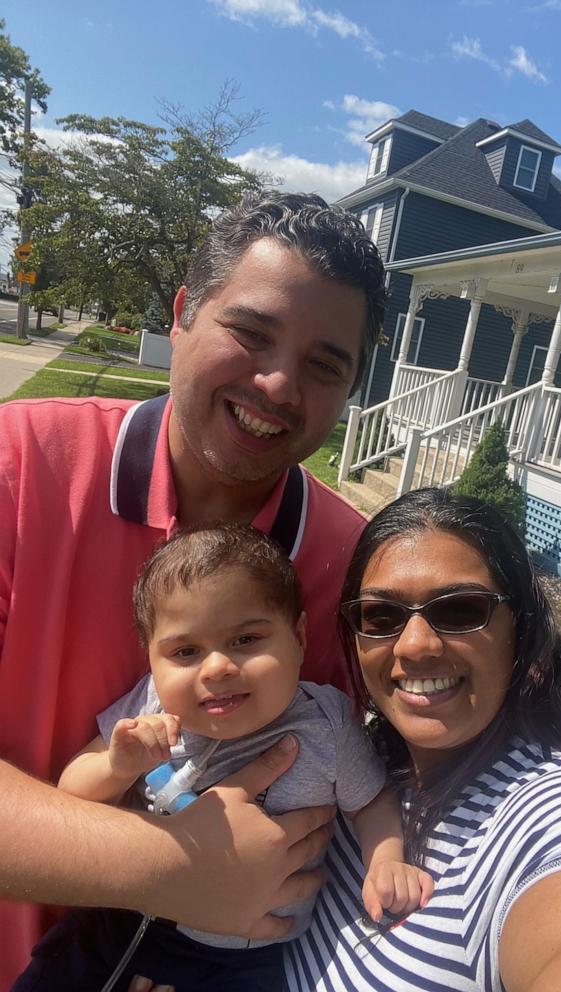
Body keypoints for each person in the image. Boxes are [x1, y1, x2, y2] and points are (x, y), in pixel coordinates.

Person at [0, 191, 386, 987]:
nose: (280, 384)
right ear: (182, 314)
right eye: (250, 332)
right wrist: (170, 865)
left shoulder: (356, 568)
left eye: (324, 365)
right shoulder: (19, 463)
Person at [285, 488, 561, 992]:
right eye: (382, 617)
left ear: (520, 629)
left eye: (460, 610)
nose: (415, 645)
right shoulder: (358, 758)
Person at [13, 523, 433, 991]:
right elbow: (72, 790)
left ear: (298, 637)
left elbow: (371, 801)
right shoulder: (152, 705)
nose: (217, 667)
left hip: (243, 953)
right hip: (122, 917)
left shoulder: (326, 723)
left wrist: (386, 858)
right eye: (186, 651)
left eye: (246, 640)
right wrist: (118, 766)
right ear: (151, 659)